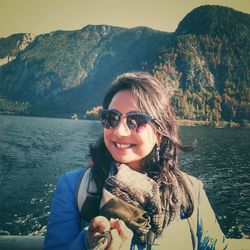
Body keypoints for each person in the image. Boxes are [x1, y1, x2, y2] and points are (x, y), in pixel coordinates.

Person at [43, 72, 228, 250]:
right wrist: (88, 242)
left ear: (159, 133)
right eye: (111, 118)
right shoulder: (74, 186)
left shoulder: (190, 191)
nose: (119, 131)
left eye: (136, 121)